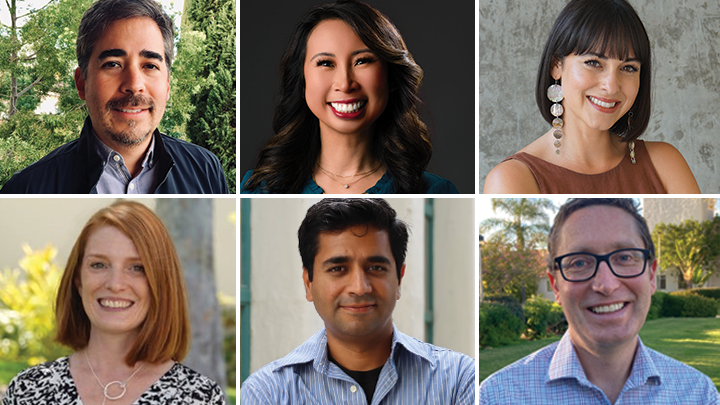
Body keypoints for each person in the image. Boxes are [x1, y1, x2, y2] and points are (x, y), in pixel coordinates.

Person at [479, 198, 720, 404]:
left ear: (651, 275)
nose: (606, 285)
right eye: (580, 263)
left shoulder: (698, 394)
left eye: (625, 257)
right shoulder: (498, 397)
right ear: (556, 286)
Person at [240, 198, 474, 403]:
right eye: (338, 268)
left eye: (375, 267)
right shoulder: (267, 393)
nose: (360, 287)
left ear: (399, 279)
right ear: (308, 282)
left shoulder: (458, 380)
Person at [2, 201, 225, 404]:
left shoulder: (200, 397)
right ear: (78, 280)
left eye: (137, 268)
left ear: (161, 283)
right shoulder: (27, 389)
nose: (115, 284)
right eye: (99, 265)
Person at [0, 0, 228, 194]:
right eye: (113, 64)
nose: (134, 85)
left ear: (167, 85)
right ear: (81, 82)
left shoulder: (206, 172)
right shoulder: (26, 191)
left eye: (149, 65)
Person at [241, 0, 457, 194]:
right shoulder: (259, 189)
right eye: (325, 63)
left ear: (391, 77)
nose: (345, 84)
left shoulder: (435, 191)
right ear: (302, 78)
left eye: (362, 61)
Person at [483, 0, 700, 194]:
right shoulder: (513, 179)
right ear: (556, 66)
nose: (611, 86)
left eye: (628, 68)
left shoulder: (665, 164)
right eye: (594, 63)